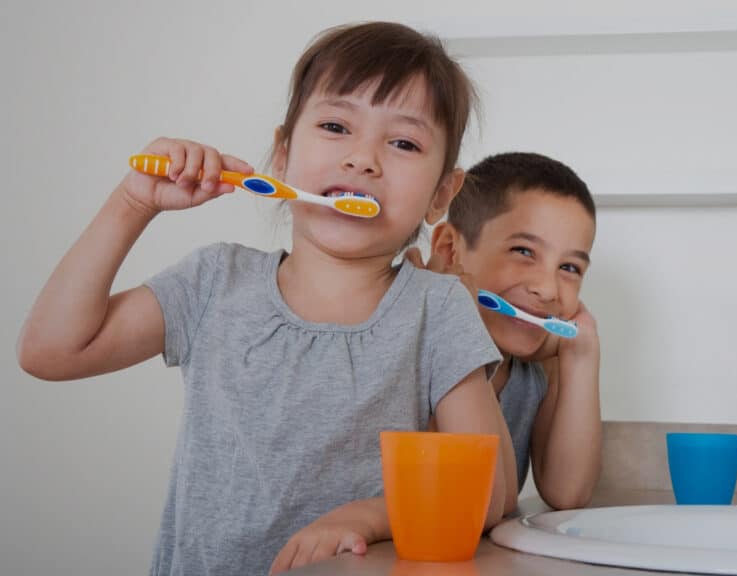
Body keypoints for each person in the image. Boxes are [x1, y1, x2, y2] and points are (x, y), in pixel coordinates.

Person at [17, 22, 517, 576]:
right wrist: (134, 203)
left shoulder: (437, 308)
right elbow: (50, 351)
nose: (363, 159)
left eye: (403, 143)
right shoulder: (214, 282)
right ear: (281, 157)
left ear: (440, 195)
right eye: (335, 125)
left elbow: (491, 495)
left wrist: (371, 516)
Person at [411, 152, 601, 509]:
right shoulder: (410, 346)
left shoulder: (533, 373)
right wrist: (457, 324)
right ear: (450, 250)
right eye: (524, 251)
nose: (548, 289)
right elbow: (449, 495)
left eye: (570, 268)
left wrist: (581, 355)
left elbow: (567, 494)